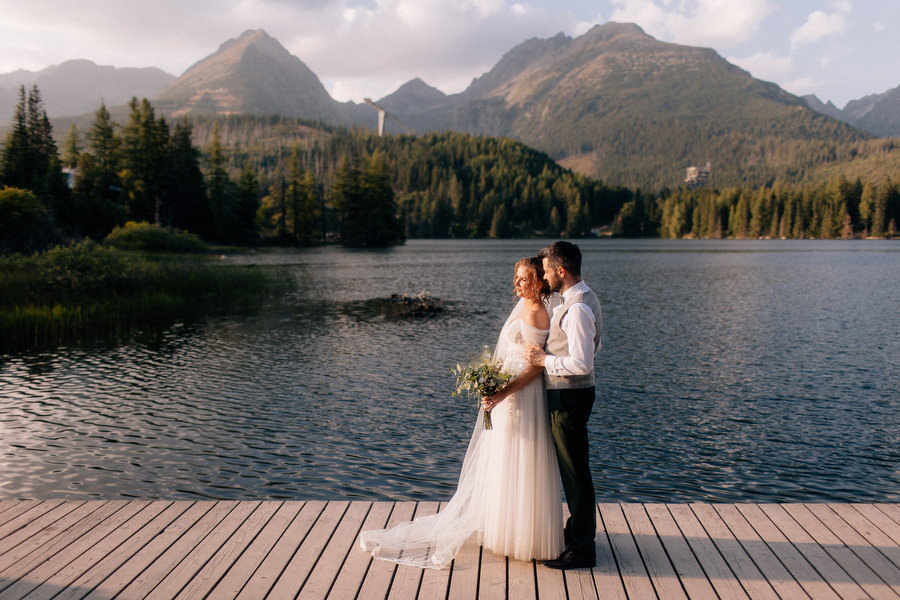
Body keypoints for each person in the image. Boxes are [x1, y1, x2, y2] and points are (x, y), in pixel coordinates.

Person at [359, 257, 564, 568]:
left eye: (523, 279)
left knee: (524, 460)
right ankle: (504, 533)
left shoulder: (537, 313)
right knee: (505, 461)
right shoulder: (523, 307)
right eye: (516, 278)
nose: (516, 284)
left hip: (523, 398)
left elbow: (535, 367)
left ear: (538, 281)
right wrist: (491, 381)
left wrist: (502, 392)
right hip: (507, 396)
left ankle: (527, 537)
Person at [525, 241, 601, 570]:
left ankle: (583, 547)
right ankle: (576, 534)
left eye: (545, 272)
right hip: (571, 394)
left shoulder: (579, 308)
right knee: (574, 469)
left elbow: (583, 363)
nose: (543, 278)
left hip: (569, 395)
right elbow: (595, 348)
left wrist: (545, 361)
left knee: (575, 472)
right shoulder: (580, 299)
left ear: (560, 270)